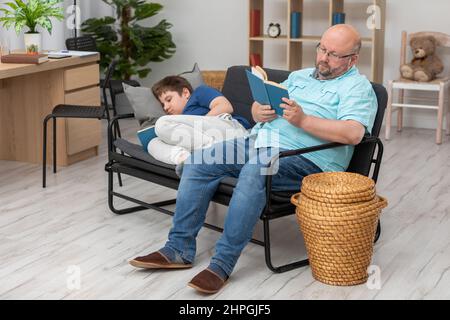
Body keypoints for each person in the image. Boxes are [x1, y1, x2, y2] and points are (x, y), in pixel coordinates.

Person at [129, 24, 378, 294]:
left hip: (305, 159)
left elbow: (353, 134)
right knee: (200, 160)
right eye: (321, 49)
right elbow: (262, 111)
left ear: (352, 59)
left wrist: (303, 120)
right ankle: (178, 249)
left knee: (257, 169)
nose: (323, 58)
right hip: (257, 141)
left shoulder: (358, 88)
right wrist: (260, 111)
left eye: (333, 55)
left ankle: (221, 265)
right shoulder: (300, 76)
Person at [147, 76, 251, 165]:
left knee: (162, 123)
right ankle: (186, 160)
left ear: (185, 93)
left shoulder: (199, 92)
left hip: (229, 130)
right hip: (203, 142)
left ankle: (211, 149)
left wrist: (197, 125)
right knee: (152, 143)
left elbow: (225, 107)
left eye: (169, 100)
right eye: (163, 105)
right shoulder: (179, 125)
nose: (165, 107)